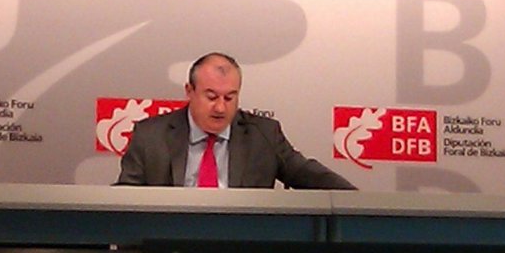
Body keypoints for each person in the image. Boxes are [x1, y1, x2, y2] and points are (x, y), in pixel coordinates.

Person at [116, 52, 356, 189]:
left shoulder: (264, 135)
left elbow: (307, 174)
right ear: (190, 91)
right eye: (211, 97)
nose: (221, 108)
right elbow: (124, 202)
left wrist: (360, 204)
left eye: (230, 97)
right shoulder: (150, 136)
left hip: (242, 251)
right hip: (168, 249)